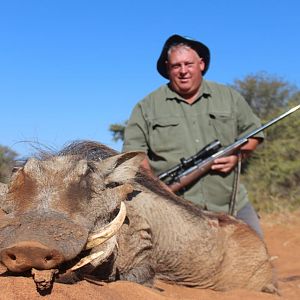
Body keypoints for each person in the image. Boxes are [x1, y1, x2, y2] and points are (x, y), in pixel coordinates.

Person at [122, 34, 264, 239]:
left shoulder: (228, 96)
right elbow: (134, 155)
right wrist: (158, 188)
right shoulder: (147, 106)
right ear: (168, 68)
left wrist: (237, 157)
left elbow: (254, 134)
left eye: (188, 64)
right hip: (175, 209)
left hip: (231, 203)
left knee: (258, 260)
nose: (183, 71)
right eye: (176, 65)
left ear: (201, 64)